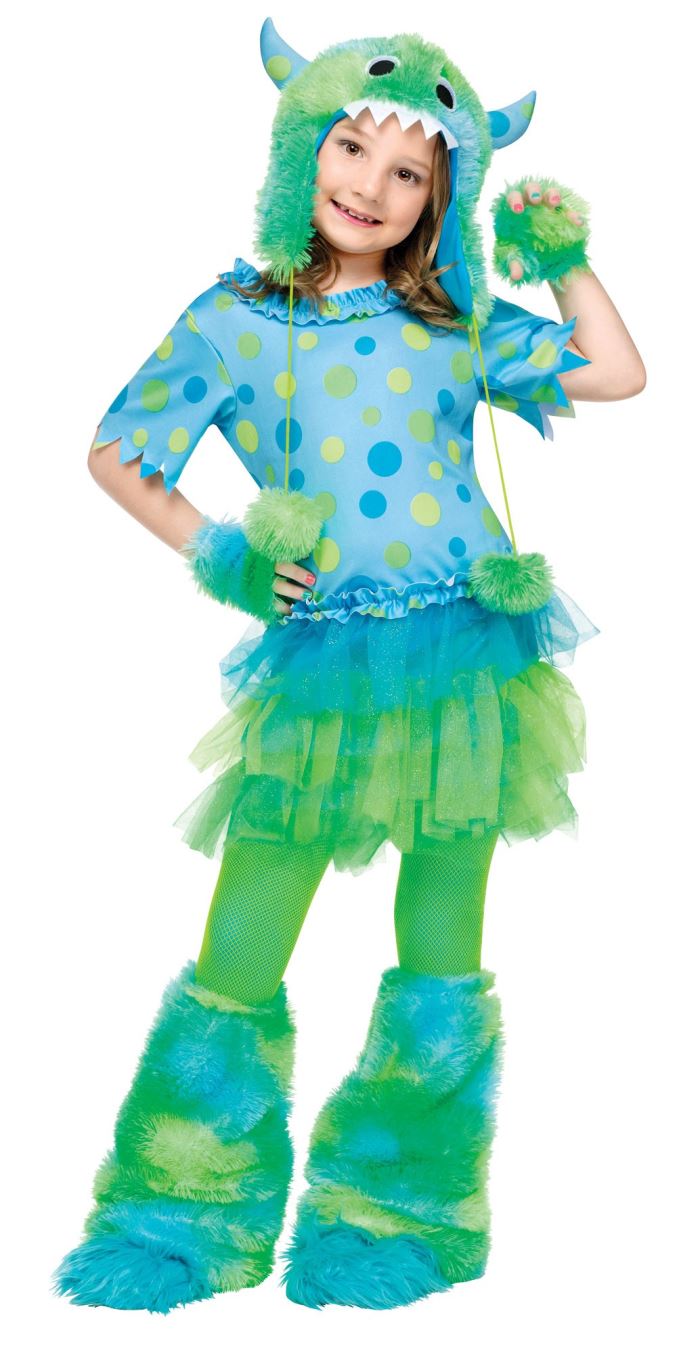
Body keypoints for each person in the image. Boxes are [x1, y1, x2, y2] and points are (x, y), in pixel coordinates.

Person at [52, 17, 646, 1315]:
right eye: (350, 147)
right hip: (326, 666)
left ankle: (402, 1209)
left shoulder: (453, 321)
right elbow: (117, 449)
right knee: (252, 920)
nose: (372, 186)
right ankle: (180, 1208)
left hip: (468, 657)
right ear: (300, 148)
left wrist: (564, 256)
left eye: (411, 171)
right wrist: (219, 551)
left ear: (443, 200)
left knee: (442, 927)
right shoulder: (236, 318)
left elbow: (614, 371)